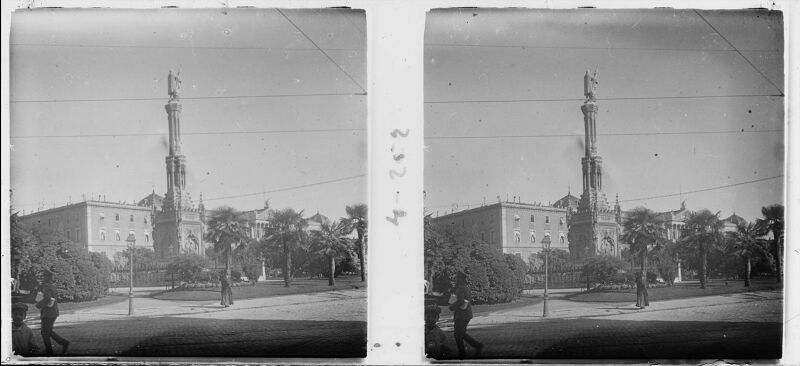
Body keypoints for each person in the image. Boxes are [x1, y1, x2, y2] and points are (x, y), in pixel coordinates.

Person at [448, 273, 483, 358]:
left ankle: (463, 353)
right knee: (460, 334)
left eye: (456, 278)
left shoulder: (461, 288)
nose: (455, 280)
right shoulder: (464, 288)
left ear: (460, 279)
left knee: (458, 335)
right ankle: (476, 346)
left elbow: (461, 301)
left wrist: (452, 307)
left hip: (461, 315)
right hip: (465, 315)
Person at [37, 279, 70, 355]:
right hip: (52, 312)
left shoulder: (46, 287)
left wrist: (39, 305)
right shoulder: (51, 286)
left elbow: (47, 298)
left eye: (40, 278)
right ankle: (64, 343)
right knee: (48, 331)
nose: (38, 280)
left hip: (48, 313)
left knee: (45, 332)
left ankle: (49, 352)